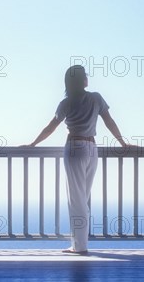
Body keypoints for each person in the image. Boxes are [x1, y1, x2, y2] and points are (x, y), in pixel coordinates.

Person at [22, 65, 128, 255]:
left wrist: (33, 144)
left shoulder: (66, 102)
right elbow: (110, 122)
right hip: (91, 148)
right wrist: (123, 144)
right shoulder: (96, 98)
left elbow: (50, 127)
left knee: (76, 199)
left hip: (74, 148)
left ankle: (79, 246)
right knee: (83, 197)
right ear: (83, 80)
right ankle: (80, 243)